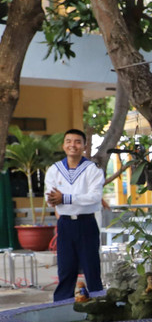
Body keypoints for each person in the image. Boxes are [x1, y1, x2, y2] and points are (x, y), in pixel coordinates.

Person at [44, 129, 105, 301]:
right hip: (65, 224)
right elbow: (50, 200)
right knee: (65, 269)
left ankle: (98, 306)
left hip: (86, 223)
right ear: (63, 145)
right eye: (69, 141)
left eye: (78, 142)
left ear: (84, 146)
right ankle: (61, 306)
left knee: (91, 268)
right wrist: (68, 200)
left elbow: (94, 198)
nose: (73, 145)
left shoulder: (92, 170)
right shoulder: (54, 170)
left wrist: (65, 198)